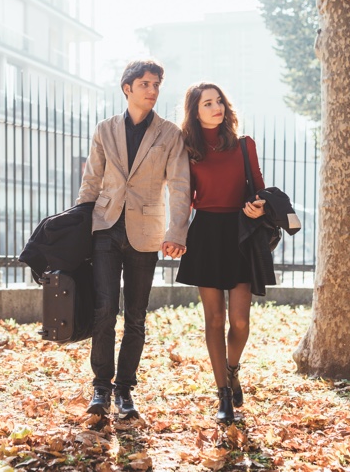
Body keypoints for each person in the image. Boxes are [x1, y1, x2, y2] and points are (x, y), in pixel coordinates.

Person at [77, 59, 191, 419]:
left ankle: (125, 390)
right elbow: (91, 181)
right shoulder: (105, 129)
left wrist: (176, 232)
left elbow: (179, 185)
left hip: (146, 232)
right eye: (145, 84)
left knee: (137, 316)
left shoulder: (170, 133)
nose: (152, 90)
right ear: (127, 88)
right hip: (105, 228)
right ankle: (101, 388)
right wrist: (80, 226)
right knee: (104, 310)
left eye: (156, 84)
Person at [176, 81, 266, 424]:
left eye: (219, 102)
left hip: (239, 233)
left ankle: (232, 370)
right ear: (195, 112)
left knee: (240, 321)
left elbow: (258, 188)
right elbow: (183, 196)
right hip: (205, 235)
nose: (217, 108)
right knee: (213, 319)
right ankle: (223, 394)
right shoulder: (188, 149)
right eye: (207, 104)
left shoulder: (244, 145)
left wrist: (258, 206)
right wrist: (175, 234)